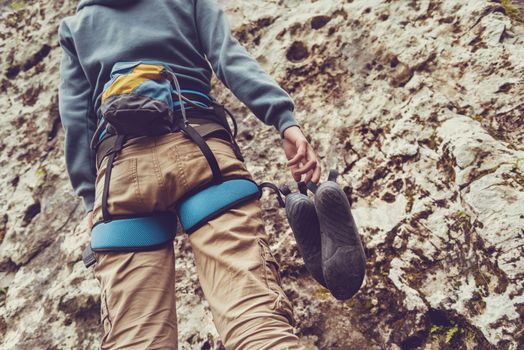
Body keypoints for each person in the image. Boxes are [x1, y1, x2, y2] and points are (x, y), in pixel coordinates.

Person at [58, 0, 320, 349]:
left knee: (136, 339)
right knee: (254, 319)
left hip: (120, 175)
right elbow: (230, 59)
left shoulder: (77, 27)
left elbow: (76, 120)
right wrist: (284, 121)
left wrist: (91, 200)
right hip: (200, 151)